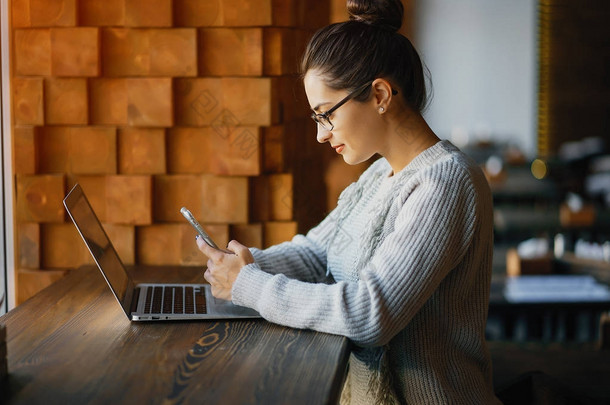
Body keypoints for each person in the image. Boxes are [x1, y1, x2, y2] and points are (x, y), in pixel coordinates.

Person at [196, 0, 501, 403]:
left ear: (379, 94)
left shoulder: (445, 184)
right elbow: (316, 253)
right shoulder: (379, 175)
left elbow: (370, 314)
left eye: (327, 114)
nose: (322, 134)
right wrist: (244, 264)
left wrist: (251, 286)